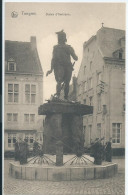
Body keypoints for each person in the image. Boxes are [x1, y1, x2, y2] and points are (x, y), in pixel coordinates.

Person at [46, 30, 78, 100]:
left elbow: (75, 58)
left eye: (60, 37)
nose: (59, 39)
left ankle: (65, 97)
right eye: (59, 37)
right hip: (60, 66)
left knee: (66, 82)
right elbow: (53, 59)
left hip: (67, 67)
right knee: (60, 81)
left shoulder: (68, 47)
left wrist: (72, 53)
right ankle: (58, 94)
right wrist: (51, 69)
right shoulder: (56, 48)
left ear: (63, 38)